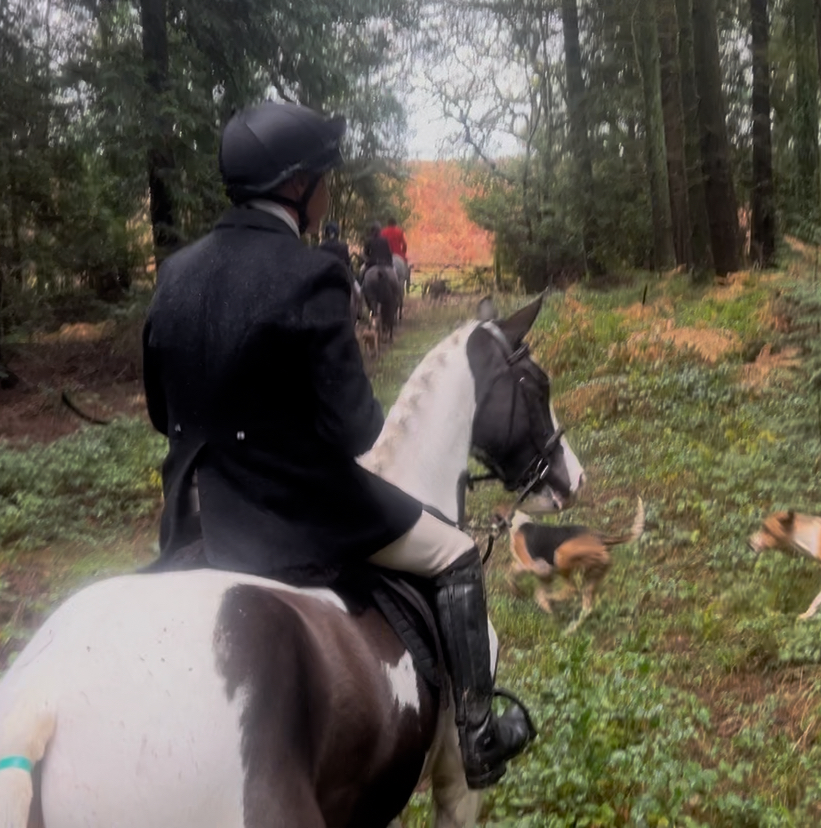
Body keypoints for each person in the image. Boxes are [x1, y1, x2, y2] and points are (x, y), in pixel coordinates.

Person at [141, 100, 535, 789]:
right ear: (298, 186)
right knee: (456, 553)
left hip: (192, 511)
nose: (327, 188)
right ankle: (478, 735)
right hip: (292, 513)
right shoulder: (311, 273)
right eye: (323, 176)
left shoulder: (176, 271)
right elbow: (356, 429)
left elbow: (158, 411)